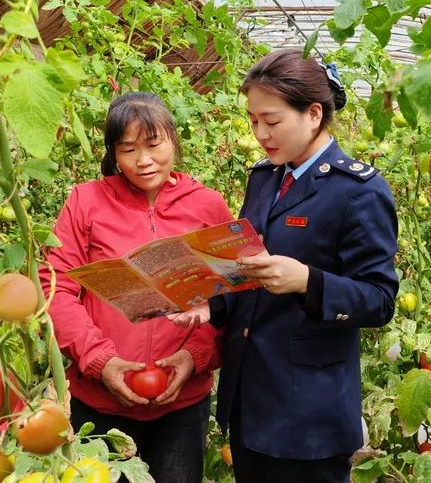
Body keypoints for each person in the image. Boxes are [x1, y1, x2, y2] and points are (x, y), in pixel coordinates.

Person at [171, 49, 399, 483]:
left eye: (271, 121)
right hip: (250, 399)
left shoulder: (358, 191)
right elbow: (249, 270)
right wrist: (211, 305)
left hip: (308, 414)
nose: (261, 133)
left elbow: (379, 299)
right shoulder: (264, 178)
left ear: (313, 114)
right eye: (254, 121)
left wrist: (307, 281)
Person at [39, 92, 234, 483]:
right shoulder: (86, 202)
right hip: (99, 402)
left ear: (173, 140)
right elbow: (55, 287)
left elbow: (230, 294)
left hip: (182, 404)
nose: (143, 160)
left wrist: (194, 356)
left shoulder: (207, 206)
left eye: (153, 144)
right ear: (114, 153)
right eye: (127, 149)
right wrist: (100, 361)